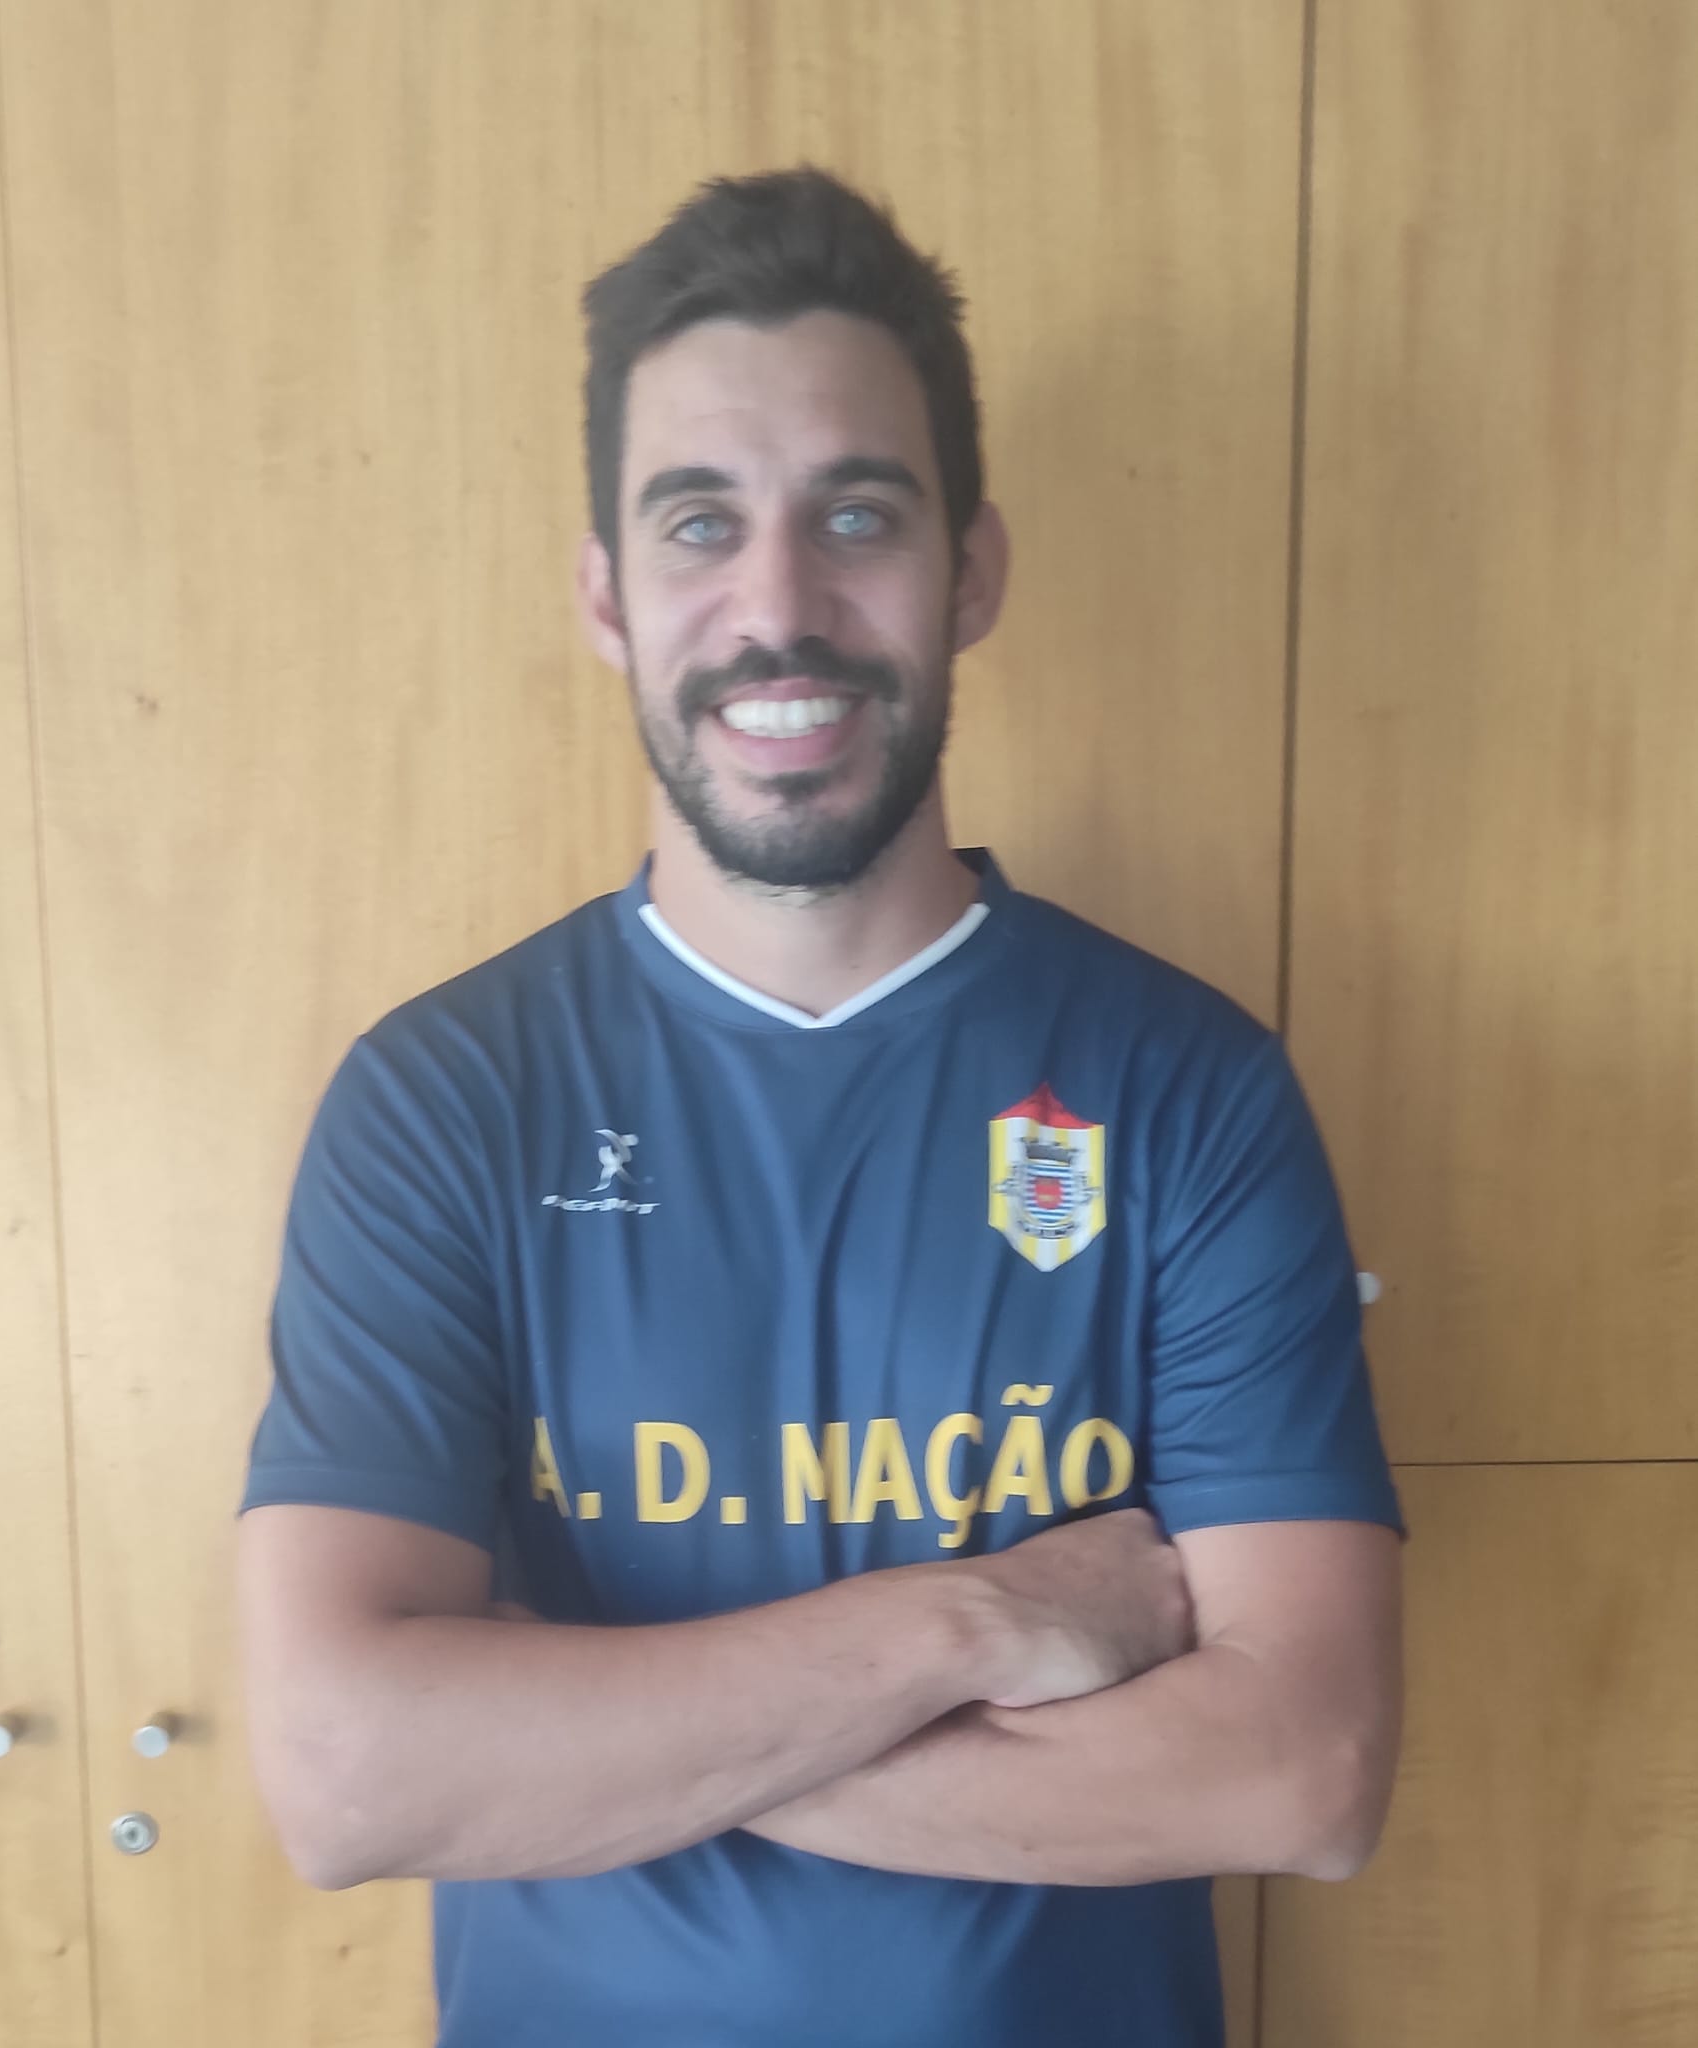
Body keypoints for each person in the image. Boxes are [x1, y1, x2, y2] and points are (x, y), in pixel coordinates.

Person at [238, 165, 1403, 2048]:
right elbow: (347, 1779)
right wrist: (970, 1627)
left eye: (857, 514)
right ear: (610, 596)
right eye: (700, 523)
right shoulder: (442, 1103)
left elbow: (1304, 1776)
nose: (779, 607)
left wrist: (573, 1726)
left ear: (971, 570)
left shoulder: (1189, 1087)